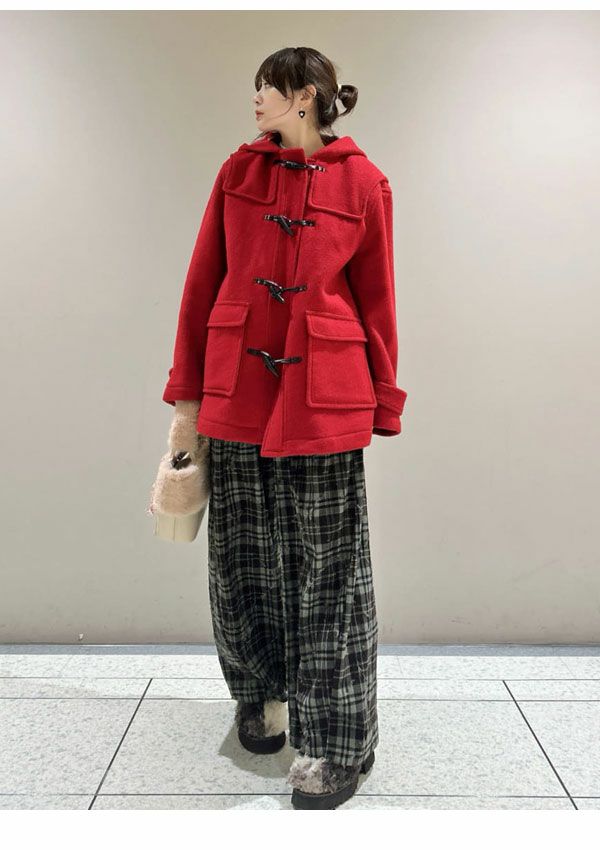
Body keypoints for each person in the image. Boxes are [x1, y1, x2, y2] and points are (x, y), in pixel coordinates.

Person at [161, 46, 408, 810]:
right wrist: (188, 394)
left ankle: (339, 740)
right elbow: (202, 282)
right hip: (238, 389)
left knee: (332, 576)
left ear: (305, 96)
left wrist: (383, 398)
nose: (256, 99)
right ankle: (261, 696)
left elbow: (377, 301)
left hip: (325, 396)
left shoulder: (365, 183)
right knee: (242, 564)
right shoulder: (237, 174)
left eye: (266, 88)